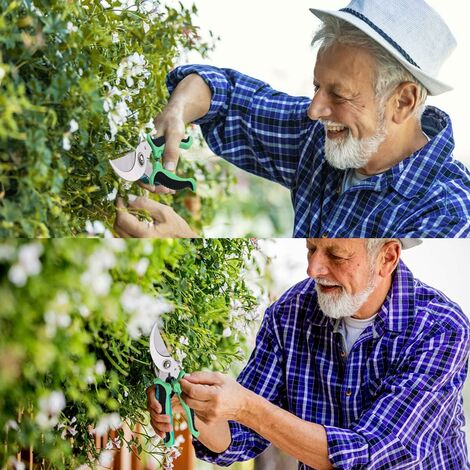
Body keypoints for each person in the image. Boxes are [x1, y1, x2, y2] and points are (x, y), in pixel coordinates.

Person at [137, 0, 470, 237]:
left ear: (403, 101)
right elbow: (227, 94)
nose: (315, 110)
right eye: (317, 86)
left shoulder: (450, 216)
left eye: (339, 95)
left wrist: (184, 244)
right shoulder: (320, 134)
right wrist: (178, 110)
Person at [147, 239, 470, 469]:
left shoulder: (440, 329)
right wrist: (197, 408)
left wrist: (245, 406)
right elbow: (240, 437)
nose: (313, 268)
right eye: (311, 248)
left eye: (337, 255)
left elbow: (371, 456)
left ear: (387, 258)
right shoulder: (291, 312)